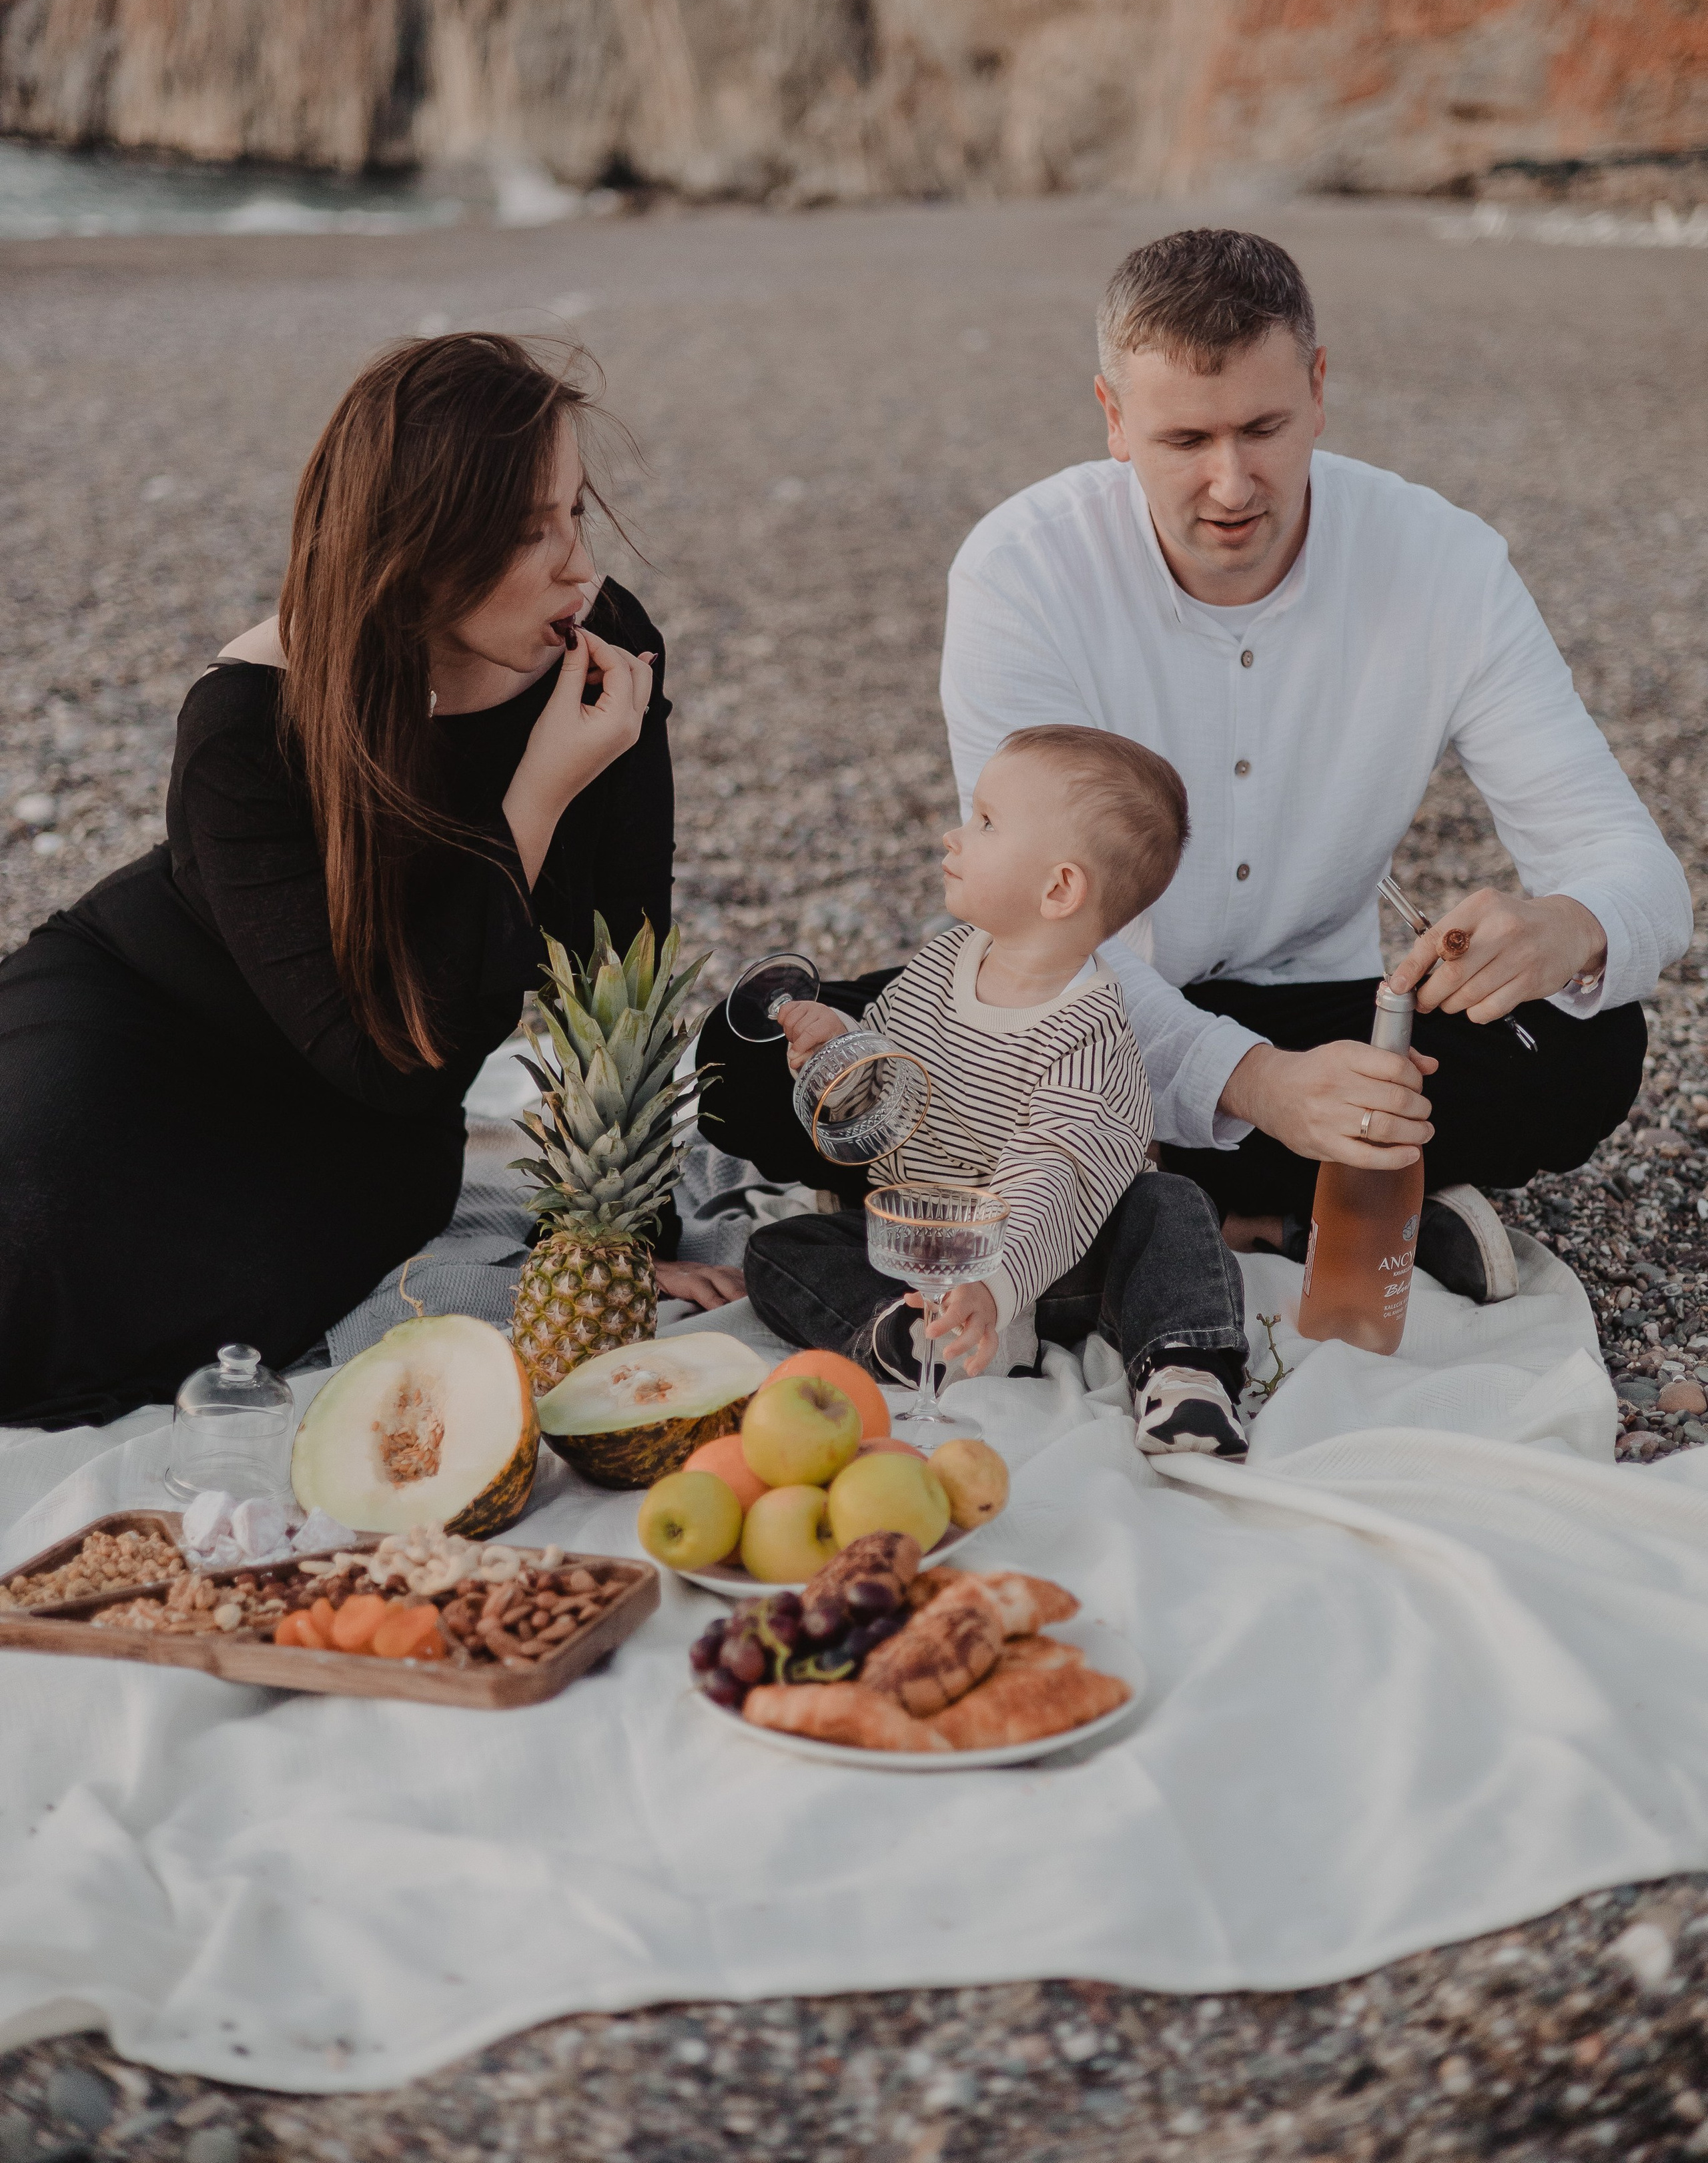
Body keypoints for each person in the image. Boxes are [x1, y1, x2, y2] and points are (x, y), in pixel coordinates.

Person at [0, 332, 739, 1431]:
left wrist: (610, 1237)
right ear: (419, 551)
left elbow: (609, 969)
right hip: (147, 1025)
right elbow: (372, 1036)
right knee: (35, 1253)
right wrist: (536, 794)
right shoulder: (248, 727)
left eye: (576, 513)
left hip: (362, 1114)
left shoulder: (601, 652)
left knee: (265, 1268)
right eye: (527, 534)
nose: (579, 568)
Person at [938, 228, 1693, 1300]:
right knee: (763, 1069)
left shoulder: (1446, 564)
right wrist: (1257, 1085)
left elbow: (1640, 872)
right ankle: (1317, 1189)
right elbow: (1034, 933)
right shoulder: (1021, 573)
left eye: (1263, 428)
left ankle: (1165, 1198)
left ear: (1321, 389)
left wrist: (1567, 928)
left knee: (1593, 1039)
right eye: (1185, 439)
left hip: (1333, 1013)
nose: (1232, 483)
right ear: (1112, 417)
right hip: (1090, 1015)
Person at [741, 725, 1254, 1458]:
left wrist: (993, 1283)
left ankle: (1186, 1371)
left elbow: (1052, 1171)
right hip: (934, 1243)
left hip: (1057, 1259)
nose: (953, 837)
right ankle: (913, 1336)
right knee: (779, 1248)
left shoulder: (1086, 1031)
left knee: (1170, 1206)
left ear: (1058, 888)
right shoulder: (950, 958)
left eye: (984, 823)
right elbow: (891, 1085)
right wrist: (840, 1046)